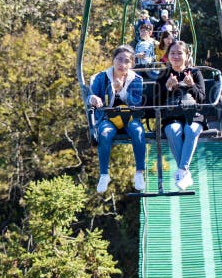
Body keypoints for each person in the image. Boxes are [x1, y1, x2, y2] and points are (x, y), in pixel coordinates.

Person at [88, 45, 146, 193]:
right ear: (113, 60)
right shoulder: (101, 78)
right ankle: (104, 174)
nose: (122, 64)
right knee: (104, 133)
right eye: (119, 60)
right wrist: (93, 98)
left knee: (138, 131)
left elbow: (137, 102)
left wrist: (121, 91)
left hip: (129, 116)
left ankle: (139, 172)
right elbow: (92, 96)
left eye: (126, 61)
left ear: (131, 64)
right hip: (108, 117)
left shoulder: (136, 80)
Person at [155, 41, 205, 191]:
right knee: (173, 130)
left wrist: (192, 86)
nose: (176, 56)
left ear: (186, 55)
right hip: (172, 115)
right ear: (168, 56)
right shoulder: (164, 75)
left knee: (191, 130)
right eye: (172, 53)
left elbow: (202, 98)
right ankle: (184, 173)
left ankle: (182, 171)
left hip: (193, 113)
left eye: (179, 53)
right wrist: (167, 87)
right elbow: (155, 101)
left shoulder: (195, 73)